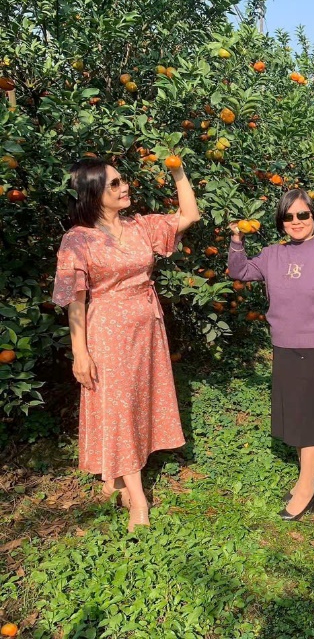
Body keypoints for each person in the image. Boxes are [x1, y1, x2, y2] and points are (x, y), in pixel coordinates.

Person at [52, 158, 200, 532]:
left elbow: (190, 215)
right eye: (114, 184)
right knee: (118, 406)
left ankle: (116, 475)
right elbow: (76, 301)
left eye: (122, 180)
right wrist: (80, 353)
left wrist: (178, 172)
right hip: (107, 334)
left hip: (147, 328)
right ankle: (138, 498)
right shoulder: (78, 239)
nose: (124, 187)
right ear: (93, 194)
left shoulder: (140, 227)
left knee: (137, 401)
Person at [227, 189, 314, 521]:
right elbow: (240, 272)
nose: (296, 222)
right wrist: (237, 238)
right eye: (289, 216)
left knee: (309, 420)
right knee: (295, 416)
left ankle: (307, 489)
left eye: (302, 215)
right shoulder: (271, 255)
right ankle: (304, 478)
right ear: (281, 221)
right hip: (283, 347)